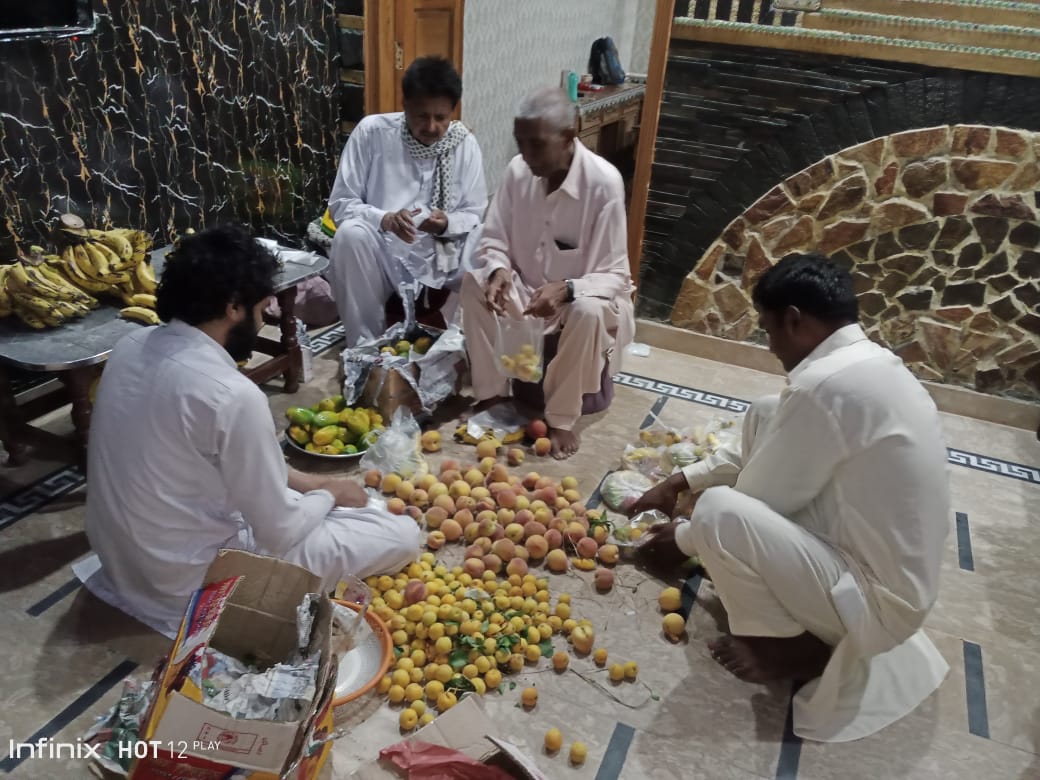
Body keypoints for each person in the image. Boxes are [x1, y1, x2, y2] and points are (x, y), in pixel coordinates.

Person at [631, 252, 950, 742]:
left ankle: (793, 647)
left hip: (876, 607)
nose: (771, 346)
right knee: (766, 411)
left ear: (795, 320)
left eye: (768, 329)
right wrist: (681, 480)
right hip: (896, 583)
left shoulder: (826, 386)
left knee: (718, 510)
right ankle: (804, 620)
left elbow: (751, 503)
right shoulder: (866, 364)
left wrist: (681, 539)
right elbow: (776, 442)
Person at [76, 224, 420, 638]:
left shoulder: (130, 346)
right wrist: (329, 493)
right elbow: (280, 533)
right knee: (401, 533)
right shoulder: (231, 395)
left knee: (329, 505)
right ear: (233, 308)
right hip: (190, 587)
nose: (262, 319)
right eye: (261, 308)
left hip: (122, 565)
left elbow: (230, 463)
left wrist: (313, 484)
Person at [461, 87, 634, 459]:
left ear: (569, 136)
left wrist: (568, 289)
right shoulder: (517, 171)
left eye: (537, 145)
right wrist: (499, 269)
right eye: (520, 143)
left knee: (588, 311)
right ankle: (492, 397)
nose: (526, 155)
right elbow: (493, 237)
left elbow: (615, 275)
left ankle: (561, 419)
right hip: (527, 293)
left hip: (584, 300)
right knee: (474, 283)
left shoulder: (603, 183)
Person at [326, 56, 487, 346]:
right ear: (405, 105)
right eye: (422, 116)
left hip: (442, 253)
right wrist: (385, 219)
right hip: (386, 252)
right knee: (350, 235)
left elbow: (474, 213)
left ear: (453, 111)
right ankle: (367, 350)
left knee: (488, 243)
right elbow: (341, 204)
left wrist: (446, 223)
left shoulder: (464, 144)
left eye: (441, 117)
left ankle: (463, 345)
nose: (432, 126)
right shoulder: (372, 133)